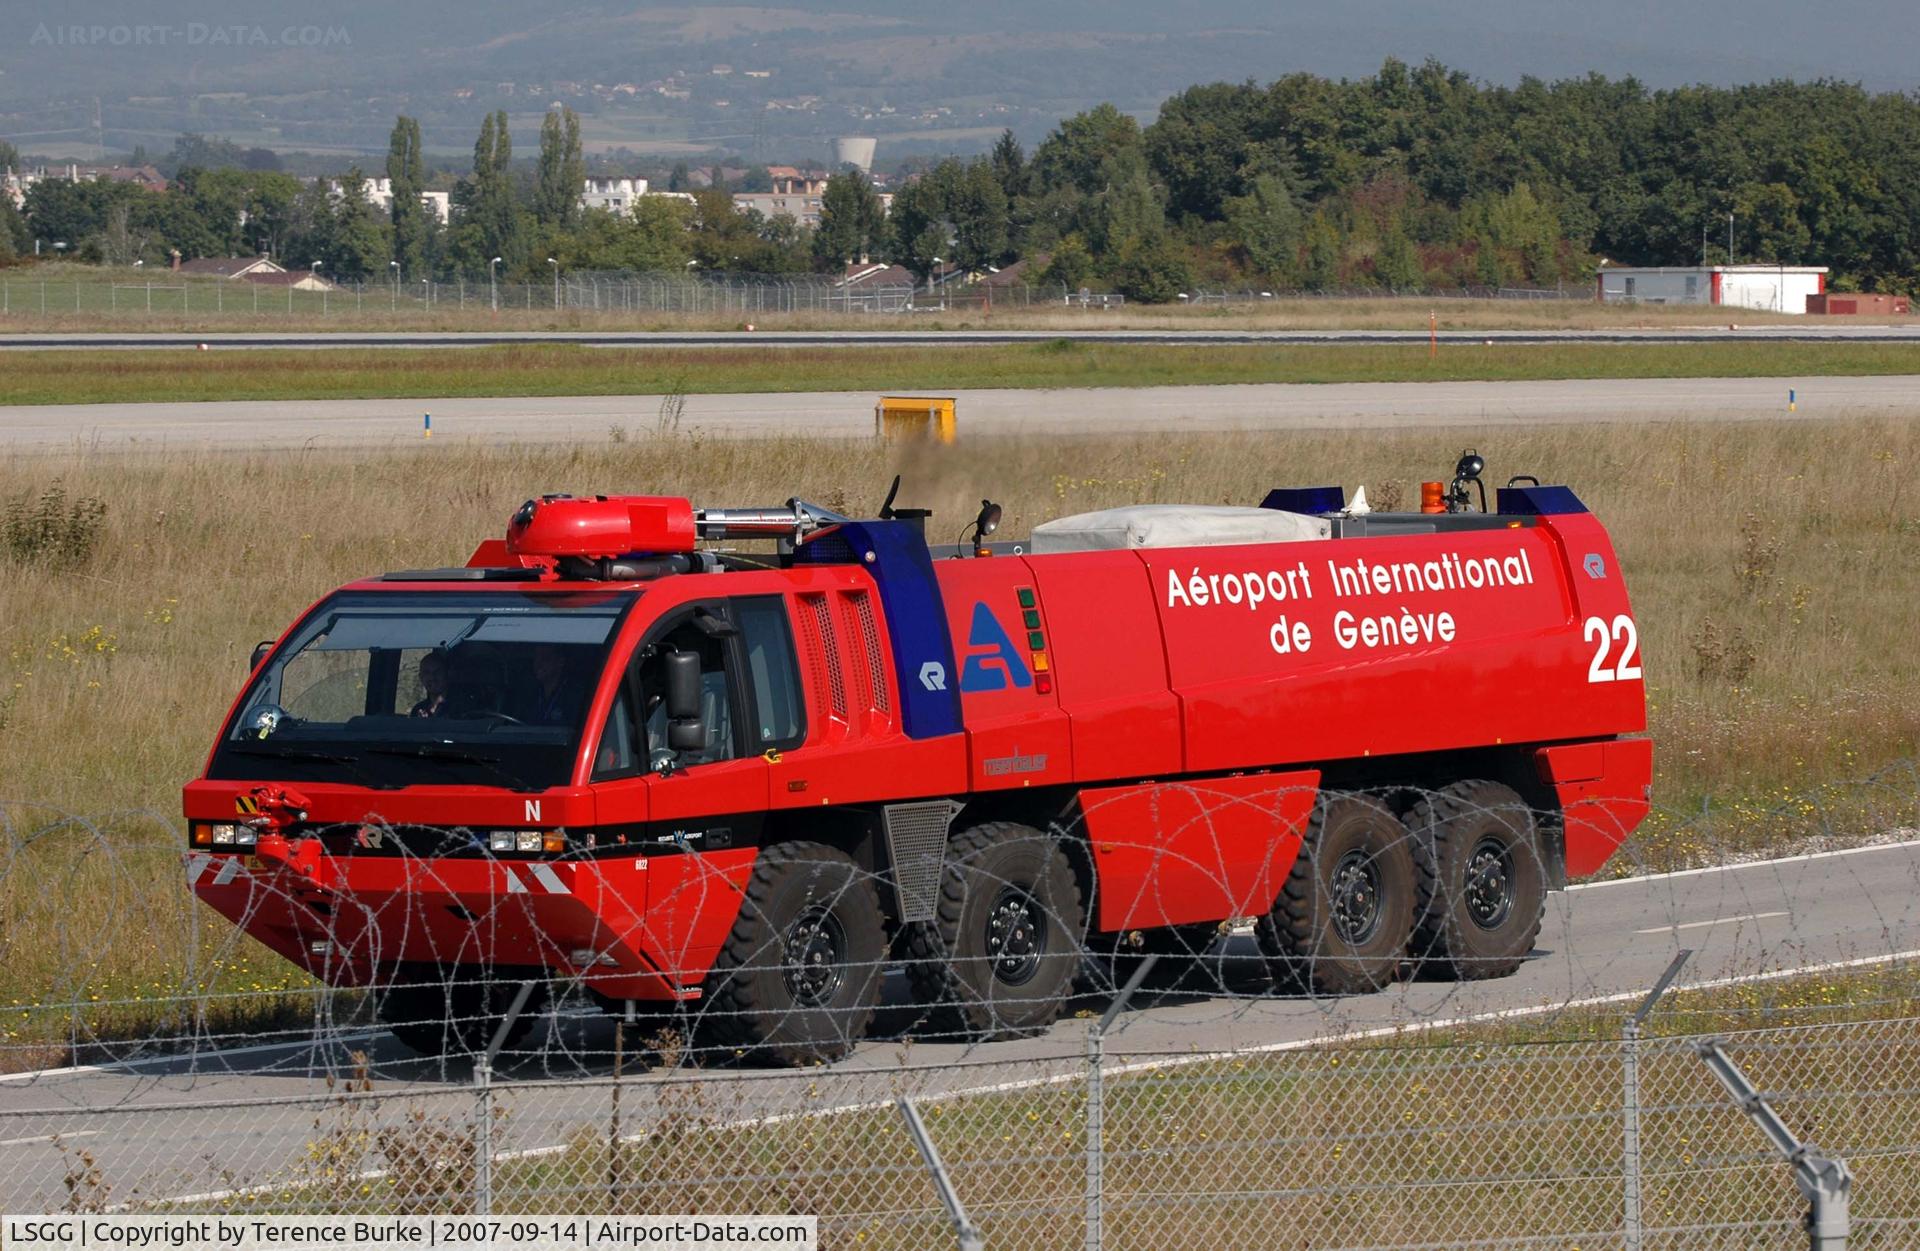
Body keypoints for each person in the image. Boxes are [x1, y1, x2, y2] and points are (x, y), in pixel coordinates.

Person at [529, 644, 580, 724]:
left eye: (545, 658)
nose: (538, 664)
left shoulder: (573, 696)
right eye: (536, 658)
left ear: (560, 662)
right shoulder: (529, 694)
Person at [410, 650, 449, 717]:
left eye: (438, 672)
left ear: (447, 674)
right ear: (421, 677)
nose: (432, 677)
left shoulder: (461, 708)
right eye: (427, 673)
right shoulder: (417, 710)